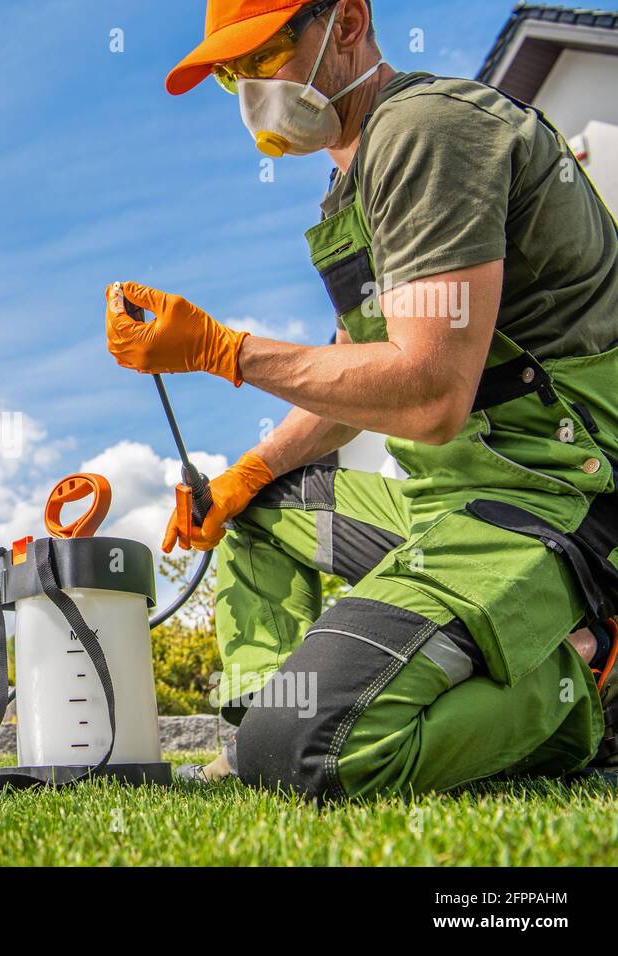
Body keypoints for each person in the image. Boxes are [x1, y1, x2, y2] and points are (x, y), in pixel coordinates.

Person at [105, 0, 618, 798]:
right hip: (450, 499)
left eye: (265, 56)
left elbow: (430, 394)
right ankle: (256, 740)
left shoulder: (427, 133)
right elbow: (359, 368)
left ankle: (588, 677)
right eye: (232, 76)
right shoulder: (352, 188)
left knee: (313, 753)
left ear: (345, 22)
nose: (250, 93)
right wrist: (247, 472)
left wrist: (223, 352)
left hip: (557, 496)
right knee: (258, 511)